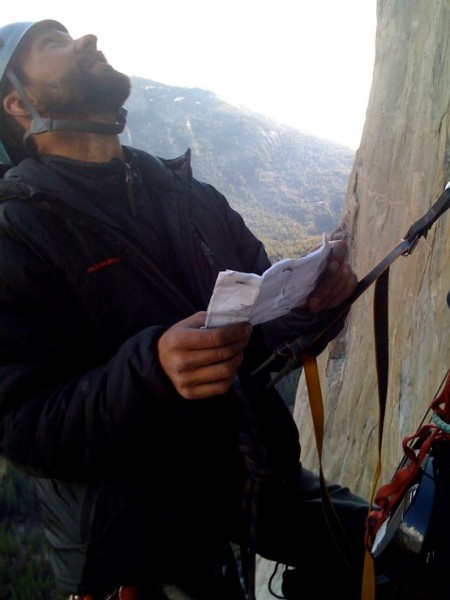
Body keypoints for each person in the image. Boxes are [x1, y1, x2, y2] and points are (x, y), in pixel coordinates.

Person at [0, 19, 392, 600]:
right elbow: (23, 424)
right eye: (51, 43)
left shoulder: (185, 194)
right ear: (17, 103)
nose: (85, 40)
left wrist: (311, 303)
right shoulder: (18, 229)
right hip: (135, 543)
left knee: (401, 553)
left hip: (250, 481)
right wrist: (153, 371)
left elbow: (263, 330)